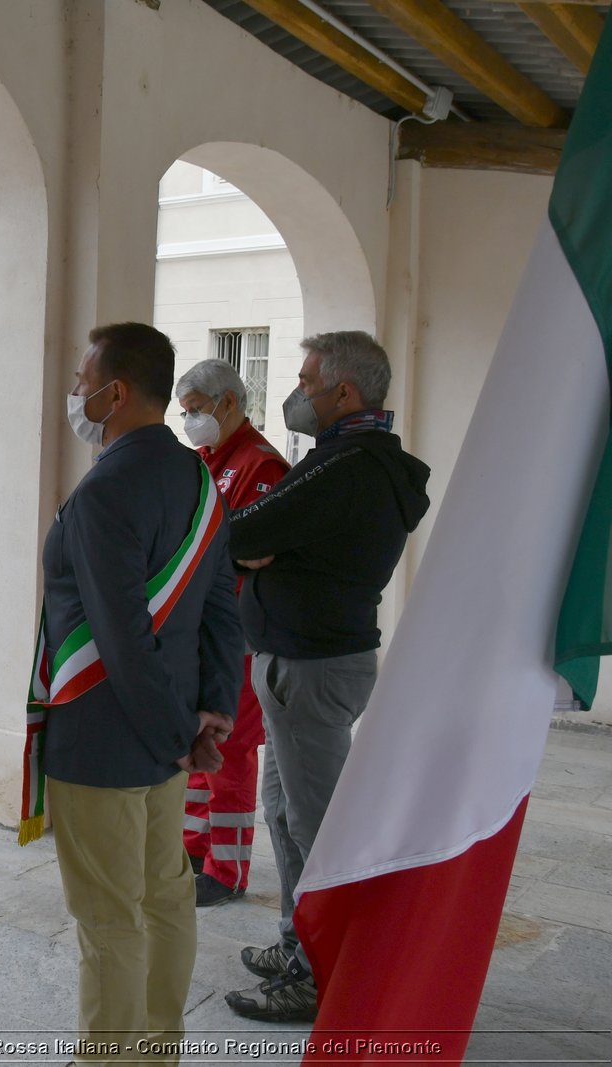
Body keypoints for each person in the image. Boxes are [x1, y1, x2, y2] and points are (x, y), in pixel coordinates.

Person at [28, 323, 242, 1064]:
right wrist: (208, 710)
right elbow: (222, 603)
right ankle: (158, 1049)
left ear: (114, 392)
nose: (77, 392)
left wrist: (171, 731)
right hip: (168, 728)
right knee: (165, 896)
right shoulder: (196, 476)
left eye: (84, 376)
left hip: (107, 733)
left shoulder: (104, 489)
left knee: (110, 918)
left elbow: (119, 638)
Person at [222, 331, 430, 1023]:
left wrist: (263, 548)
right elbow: (255, 534)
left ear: (346, 391)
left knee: (321, 828)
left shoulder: (347, 466)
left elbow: (240, 533)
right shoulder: (350, 461)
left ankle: (325, 971)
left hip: (309, 667)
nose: (297, 391)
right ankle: (300, 939)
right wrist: (266, 546)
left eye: (307, 380)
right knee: (284, 814)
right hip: (301, 661)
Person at [173, 360, 291, 908]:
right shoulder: (204, 460)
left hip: (238, 633)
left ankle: (228, 868)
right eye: (186, 410)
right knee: (199, 739)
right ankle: (195, 846)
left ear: (228, 403)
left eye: (196, 409)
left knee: (233, 750)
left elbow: (249, 554)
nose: (189, 419)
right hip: (200, 630)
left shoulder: (261, 466)